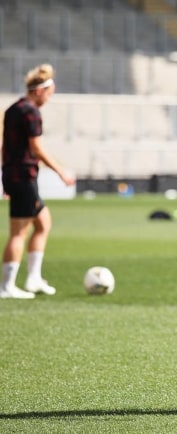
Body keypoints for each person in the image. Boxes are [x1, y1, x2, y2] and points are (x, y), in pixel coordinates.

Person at [0, 64, 76, 299]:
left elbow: (5, 147)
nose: (49, 98)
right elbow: (36, 148)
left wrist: (5, 176)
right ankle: (7, 286)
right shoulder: (31, 112)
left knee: (43, 222)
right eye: (49, 93)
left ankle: (33, 279)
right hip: (24, 176)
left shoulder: (13, 109)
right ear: (39, 90)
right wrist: (60, 171)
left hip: (14, 174)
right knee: (19, 232)